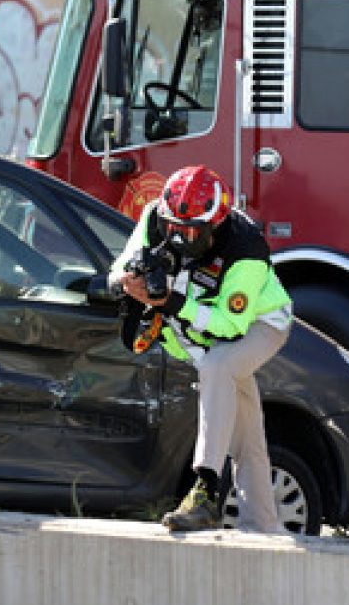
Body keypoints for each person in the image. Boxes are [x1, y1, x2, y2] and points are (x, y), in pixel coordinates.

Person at [108, 165, 294, 533]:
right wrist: (129, 282)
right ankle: (263, 530)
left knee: (219, 367)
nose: (177, 237)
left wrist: (172, 303)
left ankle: (206, 489)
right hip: (205, 331)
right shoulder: (157, 215)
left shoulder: (246, 249)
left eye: (189, 231)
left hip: (261, 324)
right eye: (171, 226)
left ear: (215, 224)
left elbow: (231, 325)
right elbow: (119, 268)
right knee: (247, 437)